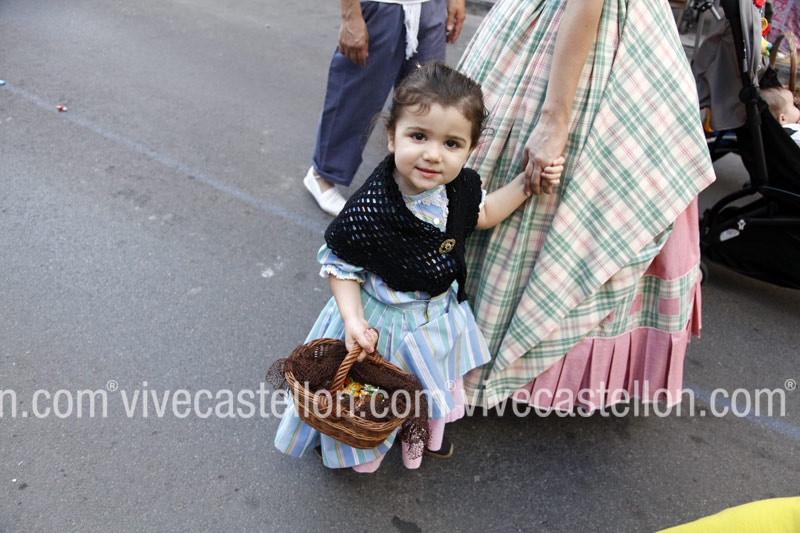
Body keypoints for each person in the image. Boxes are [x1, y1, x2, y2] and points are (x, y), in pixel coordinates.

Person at [274, 62, 565, 471]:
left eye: (452, 144)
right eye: (418, 136)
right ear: (392, 136)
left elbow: (482, 214)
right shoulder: (375, 204)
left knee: (424, 387)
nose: (433, 154)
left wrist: (525, 184)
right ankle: (359, 447)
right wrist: (353, 320)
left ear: (470, 149)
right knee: (371, 394)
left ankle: (419, 434)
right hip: (384, 323)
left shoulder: (460, 187)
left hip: (436, 319)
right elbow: (341, 264)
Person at [455, 0, 717, 412]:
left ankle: (455, 345)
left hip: (610, 40)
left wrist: (557, 119)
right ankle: (456, 350)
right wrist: (555, 117)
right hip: (593, 38)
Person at [302, 0, 468, 216]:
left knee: (427, 100)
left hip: (431, 5)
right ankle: (322, 174)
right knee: (358, 97)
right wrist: (350, 15)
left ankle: (410, 188)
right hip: (382, 5)